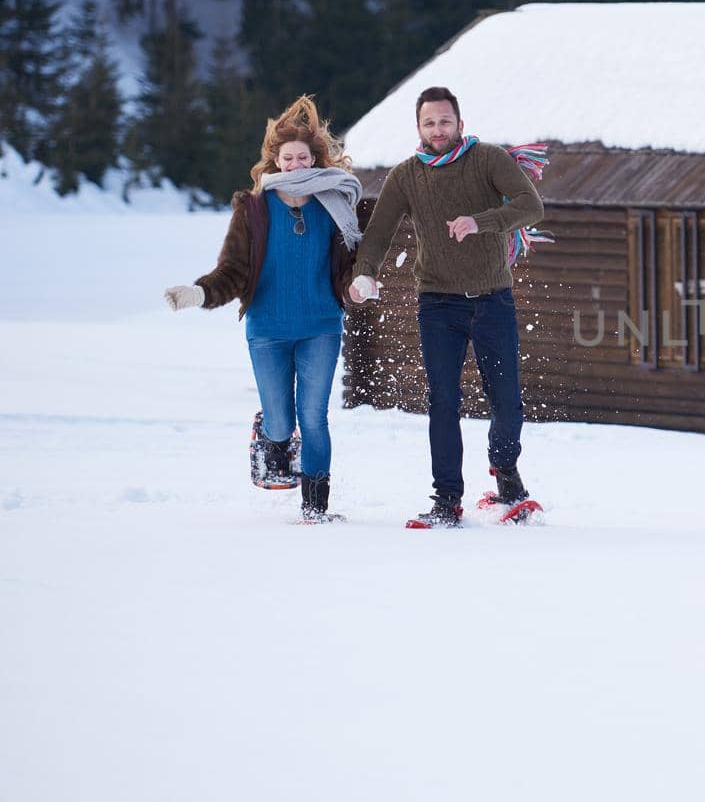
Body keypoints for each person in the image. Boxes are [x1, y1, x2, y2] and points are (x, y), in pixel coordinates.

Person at [163, 96, 366, 524]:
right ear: (275, 160)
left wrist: (359, 286)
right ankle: (270, 436)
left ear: (316, 159)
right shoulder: (254, 209)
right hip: (267, 329)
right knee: (281, 422)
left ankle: (316, 508)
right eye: (287, 157)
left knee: (314, 418)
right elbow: (233, 269)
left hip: (321, 327)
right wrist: (199, 293)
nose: (295, 164)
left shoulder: (335, 207)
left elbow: (348, 268)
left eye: (303, 157)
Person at [348, 86, 544, 527]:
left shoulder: (488, 159)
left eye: (445, 121)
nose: (438, 130)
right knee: (442, 402)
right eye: (429, 123)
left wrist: (482, 221)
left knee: (507, 400)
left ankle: (506, 474)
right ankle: (446, 498)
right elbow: (378, 232)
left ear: (459, 122)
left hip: (493, 299)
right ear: (419, 128)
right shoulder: (406, 176)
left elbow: (532, 206)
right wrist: (366, 271)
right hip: (438, 303)